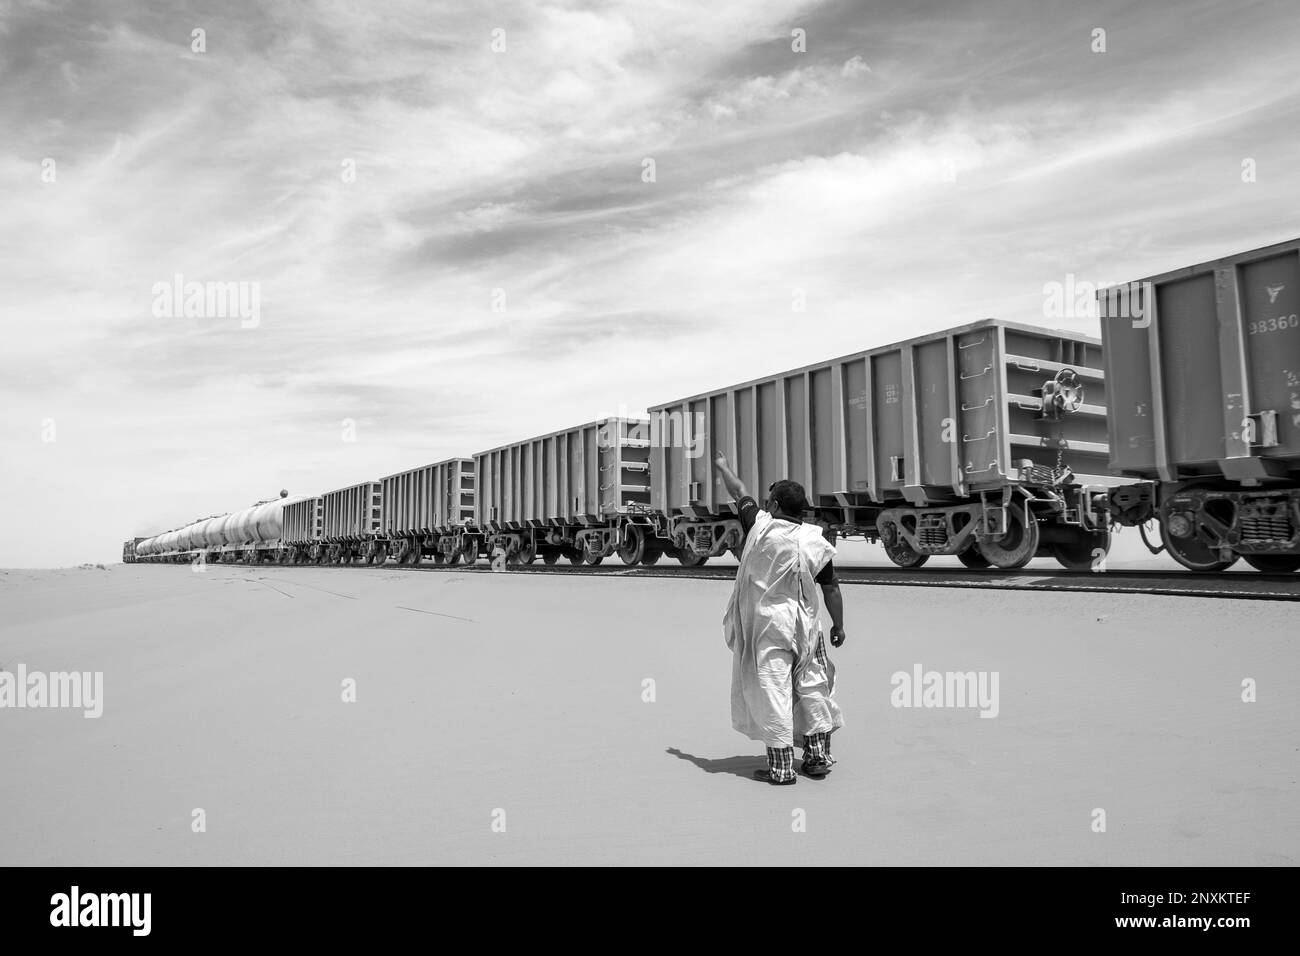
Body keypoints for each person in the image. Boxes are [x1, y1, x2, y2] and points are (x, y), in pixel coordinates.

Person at [713, 451, 846, 786]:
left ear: (772, 505)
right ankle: (816, 757)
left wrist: (723, 466)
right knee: (812, 686)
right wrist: (838, 625)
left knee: (775, 690)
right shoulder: (814, 540)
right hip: (806, 627)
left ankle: (783, 768)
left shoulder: (760, 526)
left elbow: (738, 491)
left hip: (769, 627)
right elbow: (830, 586)